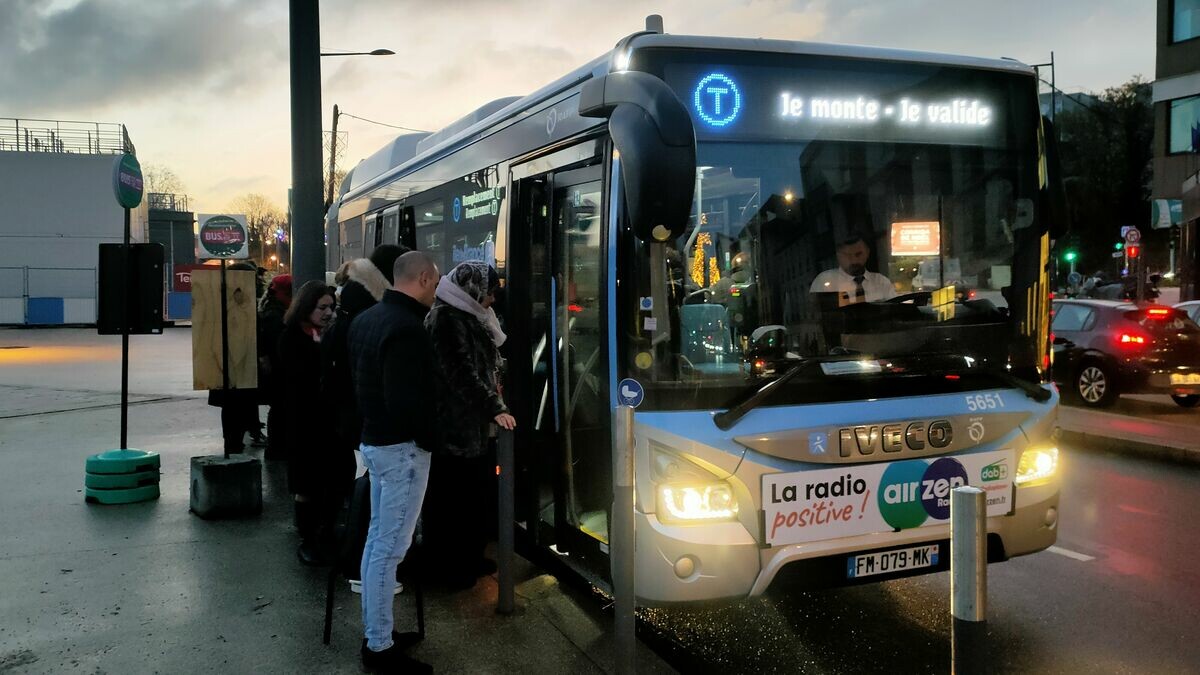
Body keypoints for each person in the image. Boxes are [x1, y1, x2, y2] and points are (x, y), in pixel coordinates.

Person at [348, 251, 441, 673]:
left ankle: (376, 629)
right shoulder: (408, 329)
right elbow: (406, 403)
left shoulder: (366, 319)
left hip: (373, 443)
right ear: (422, 278)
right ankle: (379, 647)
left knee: (376, 543)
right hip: (401, 450)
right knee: (390, 550)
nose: (435, 292)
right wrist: (430, 440)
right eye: (435, 284)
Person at [423, 261, 516, 590]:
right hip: (454, 429)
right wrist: (495, 407)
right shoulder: (447, 319)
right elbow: (461, 373)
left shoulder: (468, 313)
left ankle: (469, 558)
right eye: (488, 293)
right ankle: (450, 568)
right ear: (473, 290)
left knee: (471, 497)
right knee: (453, 502)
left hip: (470, 426)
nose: (492, 300)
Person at [321, 244, 408, 585]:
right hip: (365, 421)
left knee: (367, 493)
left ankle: (359, 563)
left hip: (352, 418)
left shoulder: (351, 306)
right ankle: (362, 569)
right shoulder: (371, 311)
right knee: (372, 498)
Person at [276, 280, 338, 565]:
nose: (328, 313)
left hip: (327, 421)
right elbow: (295, 382)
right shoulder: (291, 337)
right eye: (322, 307)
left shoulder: (328, 334)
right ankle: (307, 537)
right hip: (302, 422)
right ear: (307, 306)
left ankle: (324, 532)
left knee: (328, 479)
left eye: (331, 307)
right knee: (306, 483)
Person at [207, 261, 266, 453]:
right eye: (254, 278)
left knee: (233, 411)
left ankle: (234, 445)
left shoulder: (224, 302)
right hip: (236, 369)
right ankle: (234, 447)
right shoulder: (239, 307)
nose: (258, 282)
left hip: (231, 369)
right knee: (236, 411)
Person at [258, 274, 292, 459]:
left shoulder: (271, 310)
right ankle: (277, 448)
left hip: (274, 370)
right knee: (280, 409)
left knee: (278, 409)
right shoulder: (276, 316)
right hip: (278, 371)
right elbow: (276, 346)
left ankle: (276, 447)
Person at [809, 234, 896, 304]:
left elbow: (894, 313)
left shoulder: (882, 282)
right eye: (847, 255)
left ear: (867, 253)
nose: (854, 260)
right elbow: (816, 316)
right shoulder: (823, 282)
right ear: (838, 256)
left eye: (858, 254)